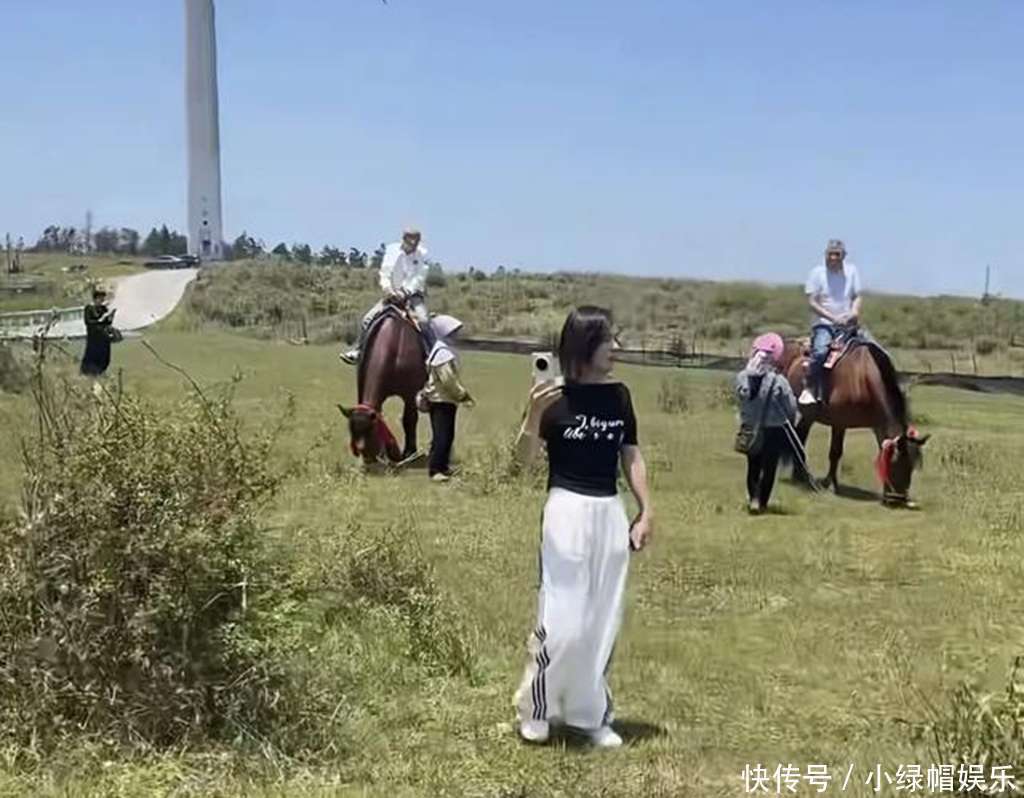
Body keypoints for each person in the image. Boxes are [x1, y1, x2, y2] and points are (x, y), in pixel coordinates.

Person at [511, 306, 654, 749]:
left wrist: (645, 511)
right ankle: (536, 709)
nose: (616, 348)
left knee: (601, 618)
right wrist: (533, 416)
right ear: (585, 345)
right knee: (562, 617)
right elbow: (520, 464)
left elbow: (631, 454)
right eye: (608, 340)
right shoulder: (552, 397)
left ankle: (589, 714)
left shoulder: (619, 397)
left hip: (609, 511)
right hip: (566, 510)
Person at [340, 227, 434, 365]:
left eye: (417, 241)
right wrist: (388, 289)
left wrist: (405, 292)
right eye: (411, 240)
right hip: (392, 295)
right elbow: (385, 272)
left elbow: (419, 278)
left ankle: (433, 355)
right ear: (404, 239)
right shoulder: (392, 251)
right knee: (367, 319)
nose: (414, 244)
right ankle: (359, 351)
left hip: (413, 296)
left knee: (424, 320)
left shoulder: (422, 255)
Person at [735, 333, 798, 514]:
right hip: (774, 430)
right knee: (769, 467)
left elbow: (739, 400)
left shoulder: (741, 377)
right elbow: (791, 406)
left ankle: (753, 498)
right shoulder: (780, 381)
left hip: (750, 428)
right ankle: (762, 503)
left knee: (753, 466)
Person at [800, 239, 863, 405]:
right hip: (824, 324)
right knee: (821, 352)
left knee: (875, 350)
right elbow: (812, 302)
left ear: (844, 256)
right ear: (825, 254)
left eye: (837, 254)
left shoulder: (852, 271)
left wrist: (854, 312)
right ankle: (810, 386)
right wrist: (832, 318)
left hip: (848, 324)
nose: (833, 258)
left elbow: (857, 296)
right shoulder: (817, 273)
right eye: (830, 254)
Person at [417, 314, 475, 482]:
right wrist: (462, 395)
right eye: (452, 332)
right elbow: (448, 380)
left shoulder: (441, 350)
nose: (456, 335)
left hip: (445, 399)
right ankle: (436, 470)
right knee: (442, 436)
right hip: (441, 400)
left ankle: (442, 467)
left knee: (446, 435)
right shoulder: (442, 353)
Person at [80, 286, 116, 377]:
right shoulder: (89, 308)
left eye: (103, 298)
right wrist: (99, 321)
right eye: (100, 298)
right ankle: (88, 372)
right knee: (92, 355)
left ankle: (101, 371)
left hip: (103, 336)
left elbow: (107, 322)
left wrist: (111, 317)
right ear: (95, 298)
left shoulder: (104, 308)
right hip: (94, 336)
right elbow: (88, 321)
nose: (101, 300)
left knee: (104, 355)